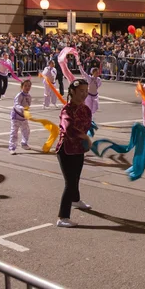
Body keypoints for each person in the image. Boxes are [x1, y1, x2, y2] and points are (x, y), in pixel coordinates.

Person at [55, 79, 93, 228]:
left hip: (79, 149)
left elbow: (88, 124)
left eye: (86, 91)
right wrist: (85, 137)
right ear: (72, 92)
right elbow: (68, 128)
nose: (84, 94)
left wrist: (85, 140)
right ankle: (63, 217)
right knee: (69, 182)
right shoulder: (66, 110)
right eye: (81, 91)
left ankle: (75, 200)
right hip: (66, 149)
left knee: (76, 177)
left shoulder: (86, 109)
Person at [9, 80, 32, 155]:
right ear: (22, 86)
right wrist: (22, 108)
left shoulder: (29, 96)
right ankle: (12, 148)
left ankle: (24, 143)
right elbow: (16, 105)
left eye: (29, 86)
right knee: (14, 132)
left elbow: (28, 104)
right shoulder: (19, 95)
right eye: (25, 86)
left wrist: (27, 111)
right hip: (16, 116)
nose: (27, 87)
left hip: (24, 117)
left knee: (26, 131)